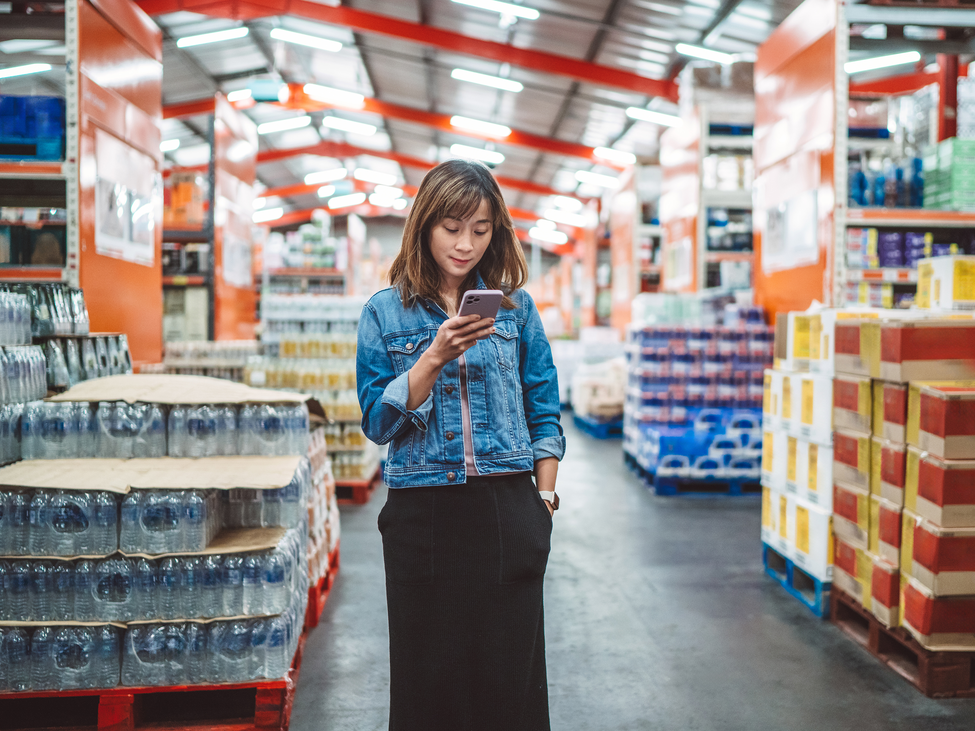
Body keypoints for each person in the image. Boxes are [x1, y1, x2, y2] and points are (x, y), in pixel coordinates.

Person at [356, 159, 565, 731]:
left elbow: (543, 409)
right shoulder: (383, 312)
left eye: (481, 229)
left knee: (510, 683)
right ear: (424, 224)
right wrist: (434, 356)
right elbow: (377, 421)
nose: (465, 244)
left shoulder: (515, 310)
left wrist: (542, 500)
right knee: (429, 683)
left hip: (504, 507)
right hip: (423, 512)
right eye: (451, 227)